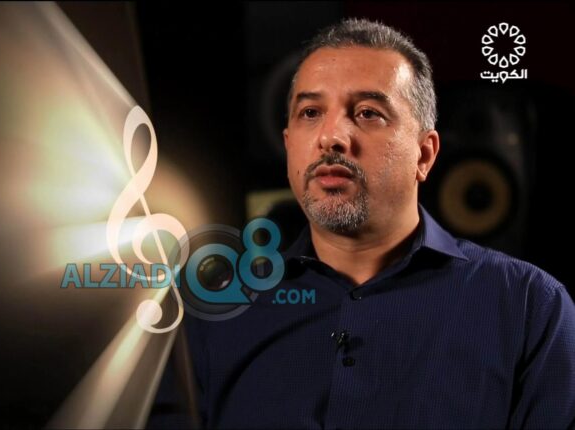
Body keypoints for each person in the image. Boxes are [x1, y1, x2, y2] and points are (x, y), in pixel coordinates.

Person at [148, 18, 575, 429]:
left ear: (424, 155)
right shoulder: (214, 313)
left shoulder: (529, 307)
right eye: (310, 112)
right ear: (288, 144)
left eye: (368, 113)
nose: (331, 137)